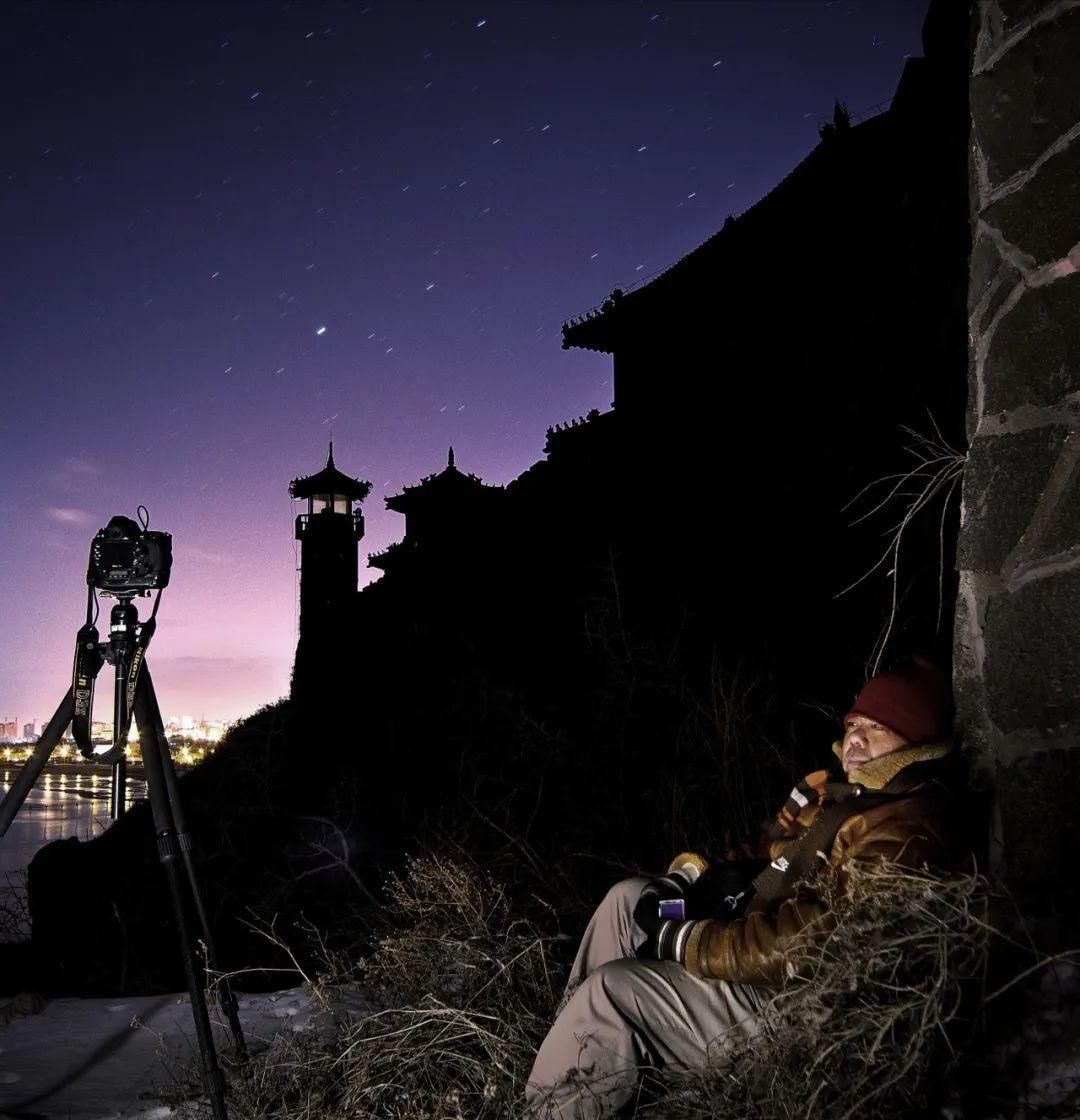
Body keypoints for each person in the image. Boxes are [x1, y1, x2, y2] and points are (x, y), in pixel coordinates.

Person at [525, 657, 961, 1119]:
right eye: (853, 722)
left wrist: (691, 940)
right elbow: (759, 851)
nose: (854, 736)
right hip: (744, 928)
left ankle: (548, 1107)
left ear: (912, 741)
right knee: (628, 899)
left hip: (787, 1001)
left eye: (876, 726)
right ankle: (570, 1051)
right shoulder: (831, 792)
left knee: (613, 990)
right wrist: (689, 878)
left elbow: (815, 946)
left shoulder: (904, 827)